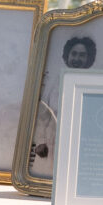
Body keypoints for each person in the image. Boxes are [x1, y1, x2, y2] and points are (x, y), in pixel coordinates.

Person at [29, 29, 96, 175]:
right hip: (52, 141)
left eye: (82, 55)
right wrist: (41, 141)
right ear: (67, 56)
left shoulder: (93, 84)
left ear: (88, 58)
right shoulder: (54, 82)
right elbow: (42, 114)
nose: (77, 58)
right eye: (74, 54)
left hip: (80, 143)